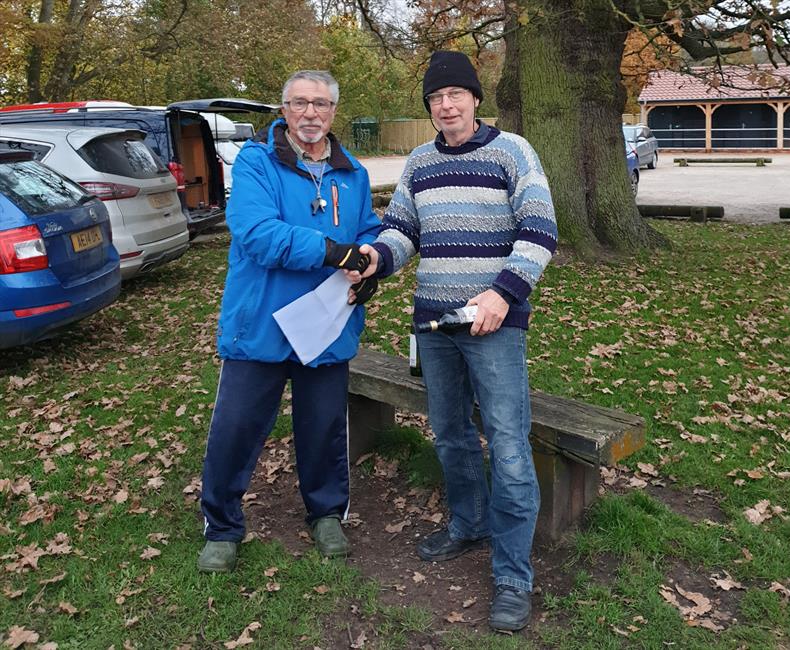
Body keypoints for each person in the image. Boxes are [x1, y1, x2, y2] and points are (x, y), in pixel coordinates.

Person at [357, 51, 558, 632]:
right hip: (433, 326)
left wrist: (502, 295)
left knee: (509, 446)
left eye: (455, 94)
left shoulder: (512, 152)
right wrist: (373, 259)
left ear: (474, 97)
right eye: (435, 98)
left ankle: (513, 575)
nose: (446, 105)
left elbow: (540, 231)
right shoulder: (419, 161)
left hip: (494, 326)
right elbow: (401, 232)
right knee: (450, 436)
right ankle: (468, 525)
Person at [198, 70, 381, 573]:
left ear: (333, 113)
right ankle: (222, 525)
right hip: (259, 322)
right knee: (236, 428)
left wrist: (371, 264)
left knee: (323, 427)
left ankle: (326, 513)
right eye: (299, 103)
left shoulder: (353, 173)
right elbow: (257, 234)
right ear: (283, 109)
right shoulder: (257, 164)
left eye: (320, 104)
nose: (310, 114)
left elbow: (368, 232)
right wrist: (331, 251)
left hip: (326, 327)